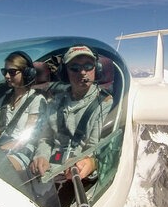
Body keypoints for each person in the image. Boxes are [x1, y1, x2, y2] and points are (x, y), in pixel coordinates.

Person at [29, 45, 113, 181]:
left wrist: (89, 163)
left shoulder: (104, 104)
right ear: (64, 72)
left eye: (88, 66)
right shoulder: (55, 102)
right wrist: (41, 156)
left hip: (77, 177)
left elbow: (97, 148)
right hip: (47, 173)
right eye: (75, 68)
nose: (82, 72)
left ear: (96, 69)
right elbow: (46, 138)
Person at [0, 51, 47, 171]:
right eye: (5, 72)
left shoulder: (37, 100)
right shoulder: (2, 100)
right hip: (1, 147)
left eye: (12, 72)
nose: (7, 76)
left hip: (23, 148)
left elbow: (28, 136)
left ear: (26, 73)